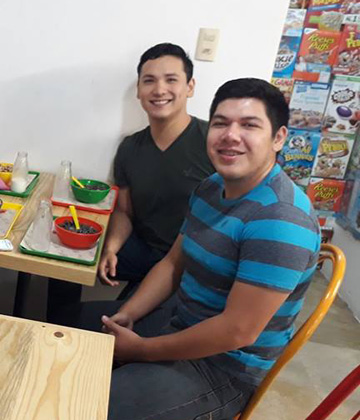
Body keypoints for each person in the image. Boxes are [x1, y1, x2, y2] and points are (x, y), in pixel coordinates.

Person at [55, 78, 321, 420]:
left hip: (223, 369)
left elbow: (237, 331)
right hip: (179, 320)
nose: (231, 135)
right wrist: (130, 313)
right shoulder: (211, 187)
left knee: (84, 407)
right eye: (221, 123)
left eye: (249, 125)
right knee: (63, 327)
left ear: (279, 138)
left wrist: (141, 350)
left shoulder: (281, 220)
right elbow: (173, 263)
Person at [97, 43, 215, 294]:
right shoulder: (130, 147)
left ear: (190, 87)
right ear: (139, 91)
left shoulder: (214, 142)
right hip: (143, 251)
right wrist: (111, 248)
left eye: (171, 80)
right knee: (70, 253)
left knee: (115, 317)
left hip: (191, 265)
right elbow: (124, 212)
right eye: (149, 81)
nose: (159, 90)